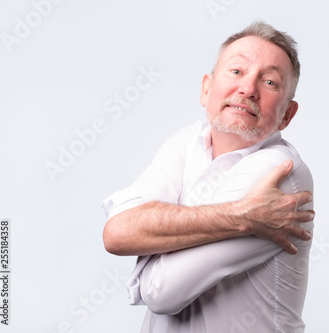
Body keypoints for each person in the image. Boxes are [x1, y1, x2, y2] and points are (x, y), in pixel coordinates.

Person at [101, 21, 315, 332]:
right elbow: (117, 233)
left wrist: (151, 241)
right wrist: (241, 216)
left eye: (269, 82)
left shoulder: (279, 173)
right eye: (237, 72)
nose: (248, 89)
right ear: (206, 88)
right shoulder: (189, 141)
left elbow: (159, 291)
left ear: (287, 114)